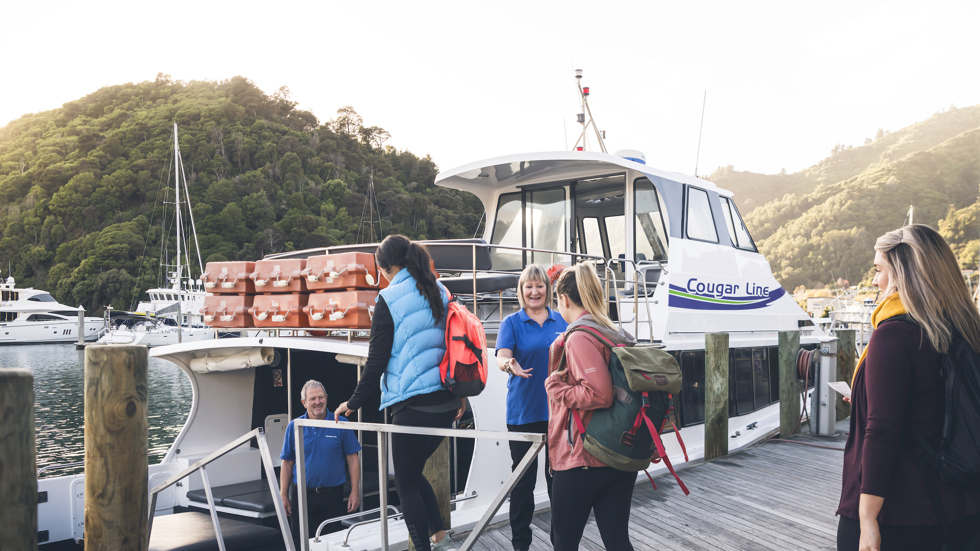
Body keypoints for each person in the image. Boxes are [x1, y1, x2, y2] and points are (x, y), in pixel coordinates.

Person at [837, 224, 980, 551]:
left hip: (900, 511)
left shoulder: (894, 334)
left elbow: (883, 431)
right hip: (960, 502)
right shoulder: (962, 329)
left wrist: (867, 518)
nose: (874, 281)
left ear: (903, 273)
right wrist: (864, 399)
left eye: (879, 269)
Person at [335, 234, 463, 551]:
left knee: (404, 482)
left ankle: (423, 547)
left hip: (413, 406)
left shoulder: (389, 299)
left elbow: (376, 362)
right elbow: (456, 345)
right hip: (447, 404)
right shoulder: (440, 290)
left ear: (384, 268)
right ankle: (441, 538)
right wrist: (463, 395)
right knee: (412, 471)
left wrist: (352, 404)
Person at [545, 262, 637, 551]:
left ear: (563, 299)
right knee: (617, 540)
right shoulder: (612, 333)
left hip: (582, 458)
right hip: (617, 455)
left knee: (564, 542)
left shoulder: (579, 338)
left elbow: (599, 394)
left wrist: (556, 388)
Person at [495, 264, 566, 551]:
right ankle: (520, 546)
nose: (534, 291)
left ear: (548, 290)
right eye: (528, 286)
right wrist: (509, 365)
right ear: (521, 291)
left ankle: (561, 543)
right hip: (523, 414)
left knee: (558, 484)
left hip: (559, 414)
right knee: (523, 485)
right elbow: (502, 356)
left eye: (539, 286)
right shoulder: (511, 323)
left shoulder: (562, 320)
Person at [279, 379, 361, 546]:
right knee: (301, 543)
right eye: (312, 399)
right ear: (304, 402)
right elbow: (287, 462)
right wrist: (283, 495)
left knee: (333, 543)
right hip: (302, 496)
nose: (318, 402)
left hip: (333, 495)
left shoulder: (341, 423)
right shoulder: (294, 426)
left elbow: (353, 459)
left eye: (321, 397)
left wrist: (355, 491)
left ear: (326, 398)